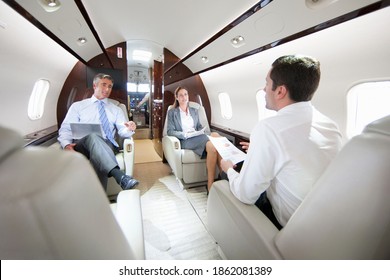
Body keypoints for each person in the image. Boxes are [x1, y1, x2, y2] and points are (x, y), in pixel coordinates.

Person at [220, 55, 342, 229]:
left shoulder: (269, 129)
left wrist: (228, 170)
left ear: (280, 91)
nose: (263, 89)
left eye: (267, 83)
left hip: (291, 228)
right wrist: (258, 149)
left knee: (227, 176)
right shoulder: (330, 125)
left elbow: (245, 194)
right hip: (326, 223)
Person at [58, 73, 139, 191]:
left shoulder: (116, 109)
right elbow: (66, 128)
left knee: (98, 155)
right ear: (95, 85)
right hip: (82, 145)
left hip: (108, 145)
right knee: (93, 136)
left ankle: (98, 200)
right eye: (104, 85)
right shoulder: (78, 106)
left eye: (110, 86)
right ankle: (120, 177)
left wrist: (129, 128)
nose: (107, 89)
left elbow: (122, 131)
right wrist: (66, 145)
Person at [167, 86, 221, 191]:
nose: (184, 97)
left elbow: (199, 127)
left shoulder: (194, 111)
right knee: (212, 144)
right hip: (185, 140)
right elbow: (170, 131)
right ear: (177, 97)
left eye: (186, 94)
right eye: (181, 95)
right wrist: (184, 134)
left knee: (216, 136)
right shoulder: (172, 112)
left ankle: (224, 177)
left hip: (197, 136)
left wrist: (200, 131)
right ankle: (211, 185)